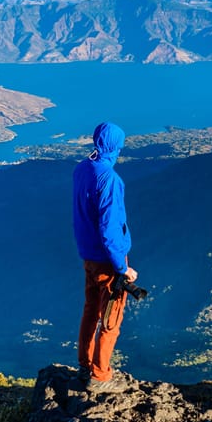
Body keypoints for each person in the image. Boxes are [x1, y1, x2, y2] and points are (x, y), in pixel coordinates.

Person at [73, 121, 138, 393]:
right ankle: (100, 375)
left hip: (88, 256)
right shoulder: (109, 179)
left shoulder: (82, 169)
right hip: (107, 261)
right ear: (116, 147)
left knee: (90, 310)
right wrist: (122, 268)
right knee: (111, 319)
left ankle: (85, 363)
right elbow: (110, 229)